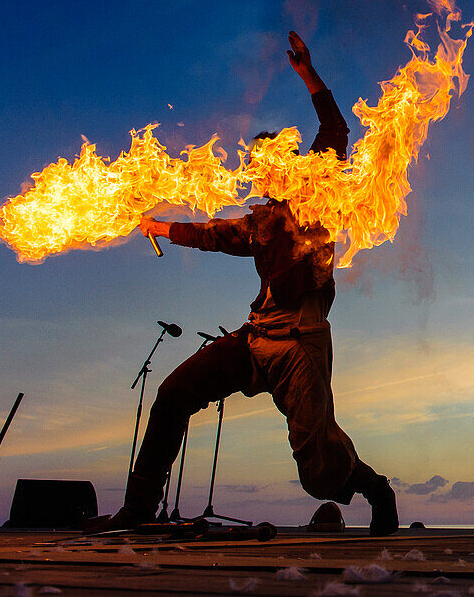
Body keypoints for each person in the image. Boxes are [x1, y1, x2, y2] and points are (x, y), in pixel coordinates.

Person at [98, 31, 397, 535]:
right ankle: (138, 510)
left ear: (288, 164)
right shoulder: (258, 223)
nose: (259, 175)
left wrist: (307, 73)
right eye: (256, 169)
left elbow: (336, 127)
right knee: (173, 393)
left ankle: (373, 487)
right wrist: (159, 227)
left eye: (266, 166)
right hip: (256, 336)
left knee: (320, 474)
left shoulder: (317, 193)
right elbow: (211, 234)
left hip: (300, 342)